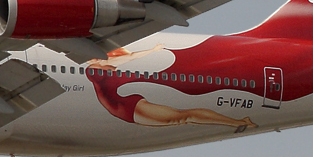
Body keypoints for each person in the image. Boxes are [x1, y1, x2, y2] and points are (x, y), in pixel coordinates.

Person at [86, 45, 256, 133]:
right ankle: (239, 121)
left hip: (127, 107)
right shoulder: (95, 66)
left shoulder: (99, 65)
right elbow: (126, 58)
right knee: (184, 116)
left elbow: (127, 57)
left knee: (183, 117)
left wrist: (154, 50)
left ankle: (239, 121)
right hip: (123, 106)